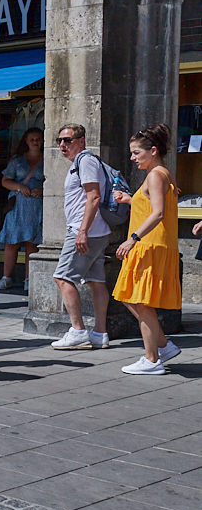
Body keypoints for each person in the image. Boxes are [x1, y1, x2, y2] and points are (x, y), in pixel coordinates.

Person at [112, 124, 181, 375]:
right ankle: (162, 346)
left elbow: (159, 213)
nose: (132, 158)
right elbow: (156, 205)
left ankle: (152, 359)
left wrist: (132, 238)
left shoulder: (156, 174)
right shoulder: (161, 173)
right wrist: (131, 199)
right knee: (132, 298)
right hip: (153, 244)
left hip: (150, 245)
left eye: (136, 153)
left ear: (152, 150)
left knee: (141, 302)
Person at [51, 124, 111, 350]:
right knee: (96, 281)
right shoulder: (83, 162)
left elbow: (93, 197)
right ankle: (100, 333)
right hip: (96, 231)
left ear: (82, 141)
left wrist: (82, 231)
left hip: (85, 230)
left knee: (63, 278)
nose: (63, 145)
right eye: (60, 141)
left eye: (68, 140)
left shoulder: (85, 161)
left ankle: (77, 331)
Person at [0, 127, 45, 290]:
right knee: (12, 242)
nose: (35, 142)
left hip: (37, 206)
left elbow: (55, 181)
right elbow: (5, 181)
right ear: (25, 140)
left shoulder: (48, 159)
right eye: (32, 139)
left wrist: (42, 189)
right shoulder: (17, 160)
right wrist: (18, 186)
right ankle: (6, 277)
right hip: (17, 206)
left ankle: (28, 279)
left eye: (38, 139)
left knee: (32, 243)